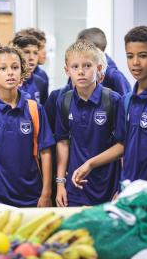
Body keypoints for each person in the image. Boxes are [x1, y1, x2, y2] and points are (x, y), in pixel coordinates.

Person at [71, 26, 147, 194]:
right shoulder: (127, 101)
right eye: (130, 56)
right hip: (130, 193)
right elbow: (123, 146)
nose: (135, 62)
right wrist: (90, 164)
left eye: (143, 56)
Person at [0, 46, 55, 207]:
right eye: (3, 68)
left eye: (15, 67)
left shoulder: (35, 109)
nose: (10, 72)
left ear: (22, 72)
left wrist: (46, 193)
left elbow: (46, 152)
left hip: (32, 197)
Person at [55, 41, 121, 207]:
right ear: (66, 70)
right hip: (75, 187)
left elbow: (123, 147)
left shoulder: (113, 100)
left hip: (107, 187)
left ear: (98, 68)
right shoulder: (64, 101)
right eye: (75, 67)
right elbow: (62, 142)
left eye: (87, 65)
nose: (81, 72)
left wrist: (122, 187)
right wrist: (60, 184)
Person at [77, 27, 131, 95]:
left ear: (97, 50)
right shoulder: (77, 72)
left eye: (82, 49)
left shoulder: (115, 77)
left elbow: (126, 104)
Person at [13, 35, 48, 104]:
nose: (31, 57)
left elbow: (43, 112)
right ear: (17, 54)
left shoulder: (41, 83)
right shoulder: (9, 81)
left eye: (35, 53)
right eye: (26, 52)